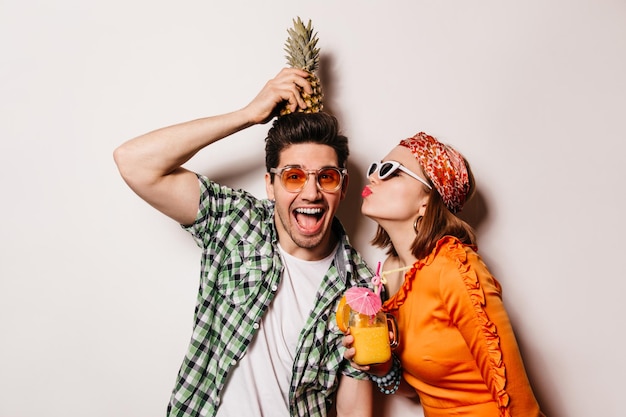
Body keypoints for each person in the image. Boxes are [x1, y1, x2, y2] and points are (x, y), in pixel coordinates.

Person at [113, 68, 373, 417]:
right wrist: (247, 115)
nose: (311, 192)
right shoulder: (237, 223)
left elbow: (355, 407)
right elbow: (134, 162)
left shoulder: (359, 288)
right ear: (270, 184)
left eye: (325, 177)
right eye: (294, 176)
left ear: (341, 187)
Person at [343, 132, 545, 416]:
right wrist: (382, 367)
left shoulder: (454, 266)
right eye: (375, 168)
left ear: (426, 199)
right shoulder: (388, 273)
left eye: (391, 171)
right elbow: (419, 387)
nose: (374, 177)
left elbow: (516, 397)